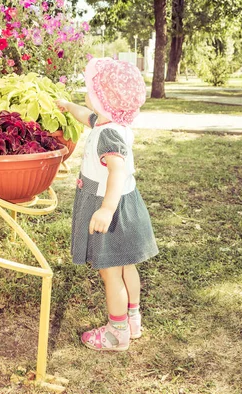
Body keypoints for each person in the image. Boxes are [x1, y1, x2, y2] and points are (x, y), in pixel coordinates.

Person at [56, 57, 158, 351]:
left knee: (110, 272)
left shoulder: (109, 134)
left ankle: (116, 333)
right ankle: (133, 320)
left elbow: (117, 170)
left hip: (111, 207)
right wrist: (65, 105)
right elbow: (83, 114)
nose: (87, 94)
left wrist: (105, 210)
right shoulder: (110, 122)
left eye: (92, 90)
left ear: (104, 100)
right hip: (128, 205)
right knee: (128, 267)